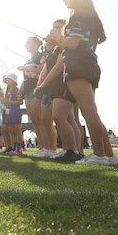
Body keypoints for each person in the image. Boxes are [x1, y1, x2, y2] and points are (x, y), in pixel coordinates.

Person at [45, 0, 118, 165]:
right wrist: (58, 41)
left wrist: (58, 38)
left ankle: (99, 155)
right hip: (88, 64)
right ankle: (109, 155)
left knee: (88, 111)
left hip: (78, 66)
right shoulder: (89, 16)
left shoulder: (78, 16)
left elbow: (73, 43)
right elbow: (79, 43)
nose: (64, 0)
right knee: (91, 111)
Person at [36, 19, 82, 161]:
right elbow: (47, 67)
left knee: (64, 118)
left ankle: (74, 151)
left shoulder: (64, 45)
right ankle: (70, 150)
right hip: (56, 86)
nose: (54, 29)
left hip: (63, 83)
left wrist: (44, 83)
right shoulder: (56, 47)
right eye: (53, 27)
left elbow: (59, 65)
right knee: (65, 118)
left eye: (58, 27)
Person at [2, 73, 24, 155]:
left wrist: (10, 102)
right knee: (12, 131)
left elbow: (21, 102)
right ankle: (14, 148)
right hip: (8, 113)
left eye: (9, 79)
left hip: (15, 112)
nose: (7, 81)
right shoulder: (7, 91)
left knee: (17, 130)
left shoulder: (17, 90)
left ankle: (19, 149)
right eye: (6, 80)